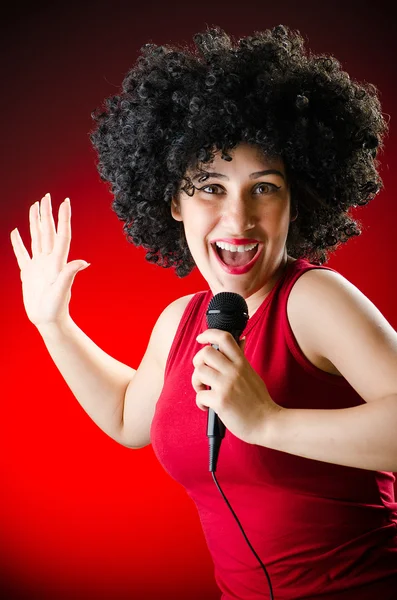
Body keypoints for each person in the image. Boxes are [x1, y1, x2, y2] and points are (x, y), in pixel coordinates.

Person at [10, 24, 397, 600]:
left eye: (263, 188)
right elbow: (126, 417)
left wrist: (267, 422)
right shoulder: (183, 320)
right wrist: (54, 324)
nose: (238, 220)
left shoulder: (314, 299)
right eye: (210, 188)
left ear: (298, 198)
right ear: (173, 200)